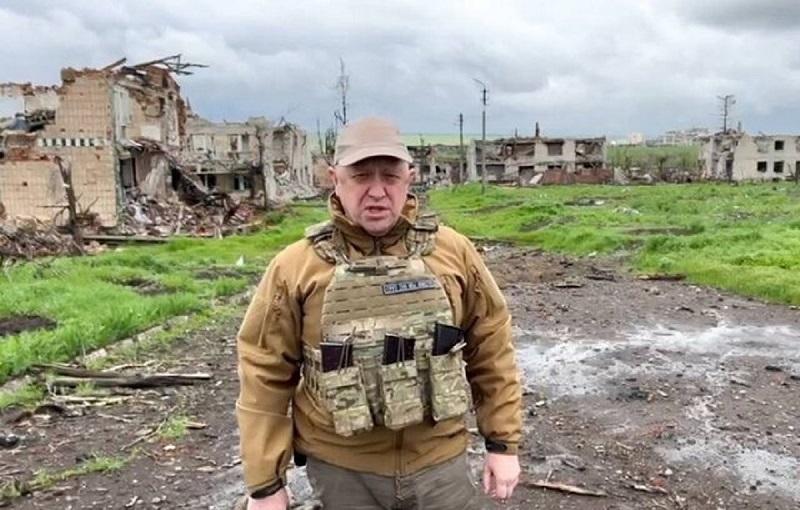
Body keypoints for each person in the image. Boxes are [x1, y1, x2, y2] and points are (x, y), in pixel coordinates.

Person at [235, 117, 522, 510]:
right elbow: (264, 371)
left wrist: (502, 443)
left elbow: (491, 346)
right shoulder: (296, 267)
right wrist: (265, 484)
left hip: (439, 465)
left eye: (390, 176)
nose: (376, 192)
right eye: (360, 176)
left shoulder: (453, 253)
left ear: (410, 178)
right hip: (342, 470)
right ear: (335, 179)